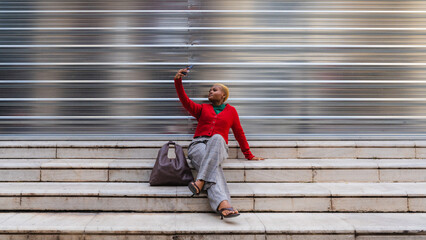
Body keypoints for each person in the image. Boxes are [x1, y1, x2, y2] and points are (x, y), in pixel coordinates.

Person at [174, 68, 265, 219]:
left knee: (217, 138)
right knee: (213, 166)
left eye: (214, 90)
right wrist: (178, 81)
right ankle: (223, 203)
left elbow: (239, 133)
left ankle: (200, 181)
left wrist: (249, 155)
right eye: (209, 90)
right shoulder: (203, 108)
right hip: (198, 145)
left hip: (219, 146)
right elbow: (185, 101)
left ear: (223, 95)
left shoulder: (232, 111)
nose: (210, 91)